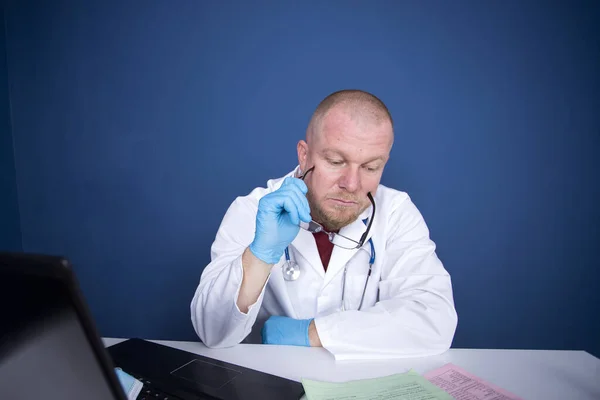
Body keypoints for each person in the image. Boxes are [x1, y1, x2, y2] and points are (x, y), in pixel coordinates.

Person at [190, 89, 458, 360]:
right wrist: (260, 254)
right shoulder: (253, 210)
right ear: (304, 155)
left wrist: (312, 333)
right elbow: (212, 332)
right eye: (335, 161)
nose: (351, 184)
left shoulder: (396, 212)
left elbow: (434, 320)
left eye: (370, 167)